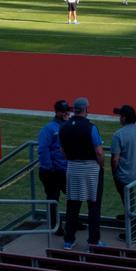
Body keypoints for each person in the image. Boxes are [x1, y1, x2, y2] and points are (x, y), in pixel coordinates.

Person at [60, 98, 105, 250]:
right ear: (86, 109)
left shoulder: (64, 126)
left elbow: (62, 151)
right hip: (91, 170)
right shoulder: (91, 127)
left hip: (73, 169)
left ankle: (68, 240)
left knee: (72, 205)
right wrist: (101, 165)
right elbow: (99, 151)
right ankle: (93, 240)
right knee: (94, 206)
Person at [110, 104, 136, 218]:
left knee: (126, 198)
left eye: (120, 116)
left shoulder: (118, 134)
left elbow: (115, 159)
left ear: (124, 118)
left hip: (125, 175)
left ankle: (130, 222)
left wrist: (114, 173)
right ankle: (128, 216)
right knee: (128, 196)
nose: (119, 118)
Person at [37, 100, 72, 234]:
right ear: (57, 112)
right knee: (53, 200)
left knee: (73, 197)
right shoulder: (49, 128)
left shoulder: (69, 126)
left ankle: (72, 221)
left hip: (66, 170)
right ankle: (55, 226)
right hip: (52, 172)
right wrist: (49, 168)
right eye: (64, 111)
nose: (66, 113)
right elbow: (43, 149)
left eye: (67, 110)